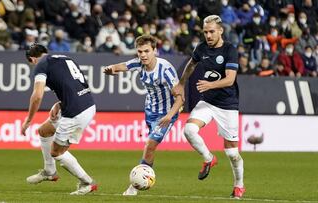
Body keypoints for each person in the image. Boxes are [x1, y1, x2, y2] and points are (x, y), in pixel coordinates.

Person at [171, 15, 245, 199]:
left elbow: (230, 79)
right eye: (205, 32)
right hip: (208, 102)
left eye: (212, 31)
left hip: (228, 105)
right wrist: (181, 83)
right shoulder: (201, 48)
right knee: (188, 130)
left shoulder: (230, 50)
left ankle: (239, 185)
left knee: (232, 153)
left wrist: (209, 85)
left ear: (220, 31)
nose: (208, 35)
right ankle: (209, 158)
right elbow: (191, 64)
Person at [103, 35, 184, 196]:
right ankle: (141, 178)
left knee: (150, 144)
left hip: (167, 114)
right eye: (140, 51)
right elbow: (121, 66)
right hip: (150, 111)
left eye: (147, 51)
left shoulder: (165, 69)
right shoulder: (138, 63)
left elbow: (181, 97)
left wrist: (169, 116)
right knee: (149, 148)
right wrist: (110, 70)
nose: (143, 55)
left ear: (155, 51)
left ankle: (135, 186)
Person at [21, 43, 97, 195]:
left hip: (76, 111)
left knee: (56, 152)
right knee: (44, 131)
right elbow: (77, 85)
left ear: (32, 59)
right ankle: (50, 172)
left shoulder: (41, 65)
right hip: (85, 104)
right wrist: (60, 103)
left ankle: (88, 182)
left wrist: (28, 119)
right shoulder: (64, 58)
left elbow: (37, 96)